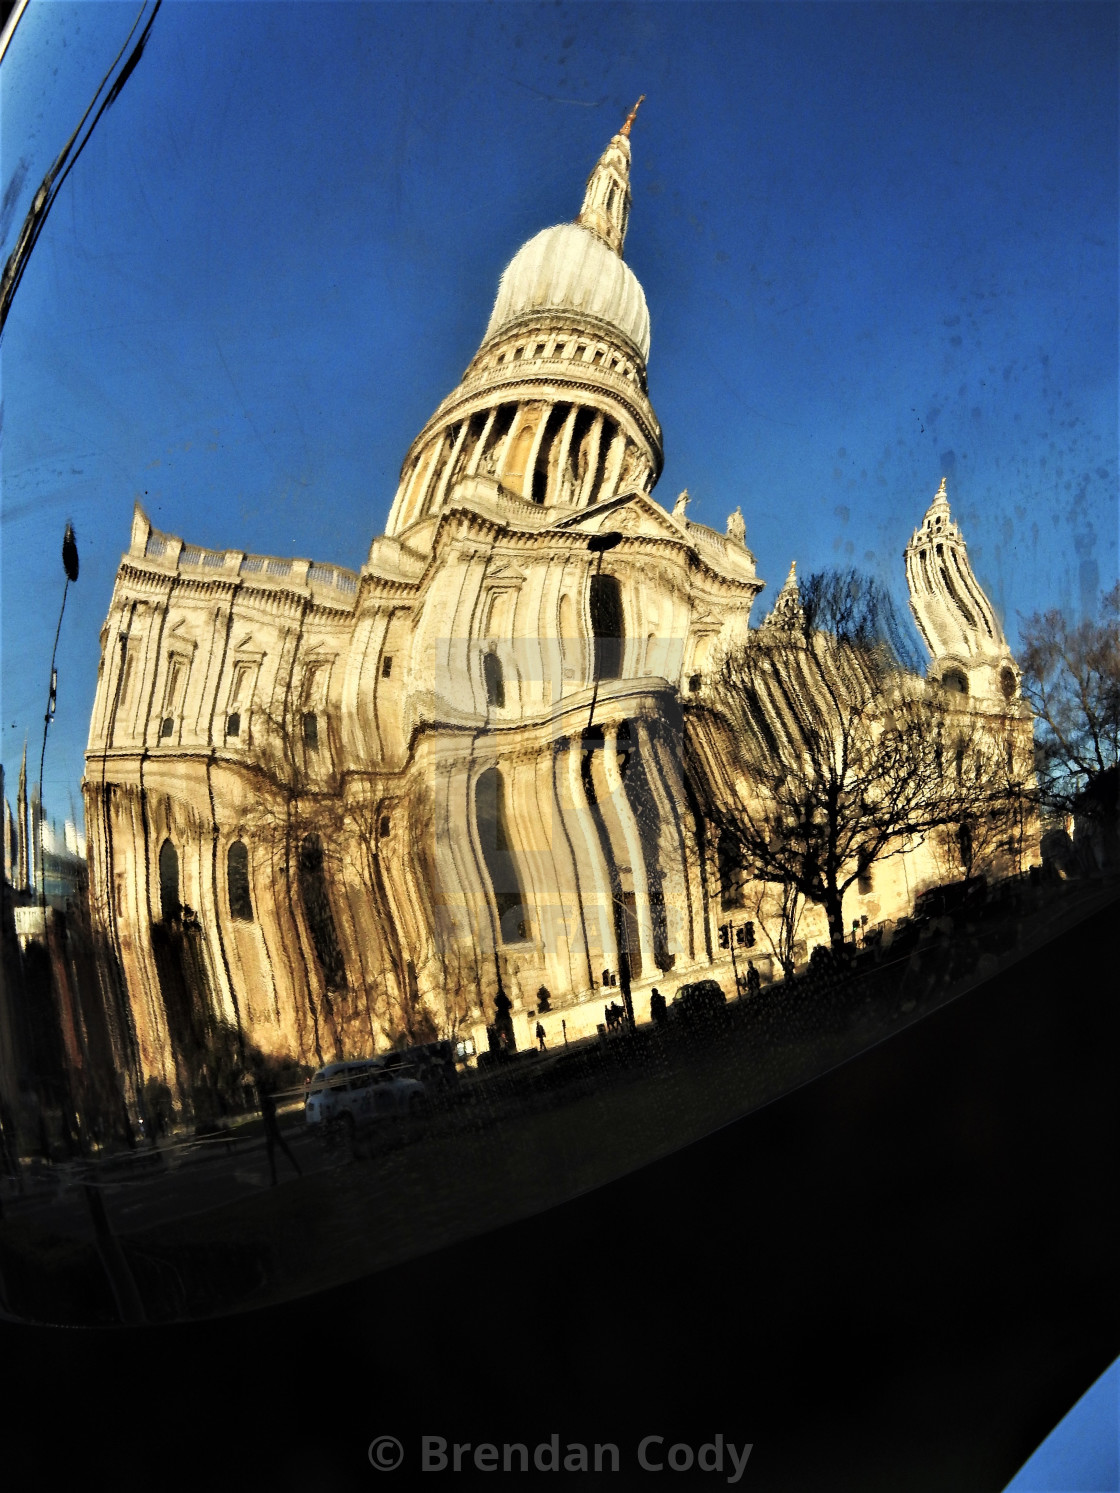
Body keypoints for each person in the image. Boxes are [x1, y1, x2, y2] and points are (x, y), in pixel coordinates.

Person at [260, 1081, 302, 1187]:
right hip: (272, 1130)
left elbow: (268, 1115)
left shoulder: (266, 1100)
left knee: (275, 1155)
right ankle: (297, 1170)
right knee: (280, 1153)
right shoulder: (268, 1099)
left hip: (272, 1130)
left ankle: (294, 1171)